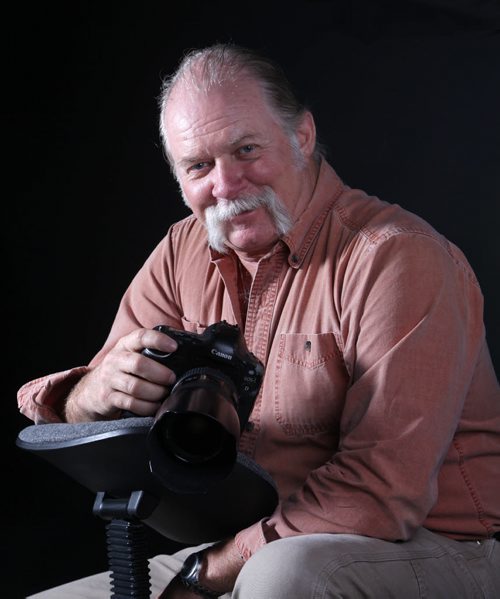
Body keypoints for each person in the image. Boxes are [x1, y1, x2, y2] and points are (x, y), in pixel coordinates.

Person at [18, 43, 499, 598]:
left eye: (246, 150)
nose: (225, 185)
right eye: (199, 166)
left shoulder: (397, 257)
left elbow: (381, 495)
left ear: (302, 137)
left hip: (434, 547)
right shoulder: (182, 251)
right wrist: (92, 395)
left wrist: (205, 575)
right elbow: (83, 429)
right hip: (247, 546)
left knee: (283, 577)